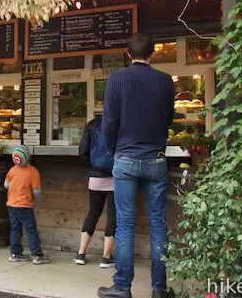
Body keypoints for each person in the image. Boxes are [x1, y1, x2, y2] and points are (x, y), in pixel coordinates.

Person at [97, 33, 175, 298]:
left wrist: (113, 150)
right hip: (155, 159)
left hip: (125, 159)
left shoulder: (116, 79)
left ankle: (122, 286)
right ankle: (159, 288)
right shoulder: (165, 81)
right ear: (153, 53)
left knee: (125, 224)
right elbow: (169, 119)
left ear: (127, 54)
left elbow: (108, 122)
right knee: (158, 223)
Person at [75, 115, 116, 268]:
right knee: (113, 217)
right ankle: (106, 258)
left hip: (96, 177)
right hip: (116, 177)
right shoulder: (119, 122)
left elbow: (82, 151)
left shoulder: (93, 124)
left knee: (93, 214)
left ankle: (81, 253)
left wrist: (93, 167)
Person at [4, 145, 50, 265]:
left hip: (11, 205)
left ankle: (15, 253)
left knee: (15, 230)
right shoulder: (33, 172)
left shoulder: (12, 170)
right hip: (25, 206)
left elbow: (6, 185)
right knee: (31, 231)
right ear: (28, 157)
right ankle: (37, 255)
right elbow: (36, 192)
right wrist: (37, 198)